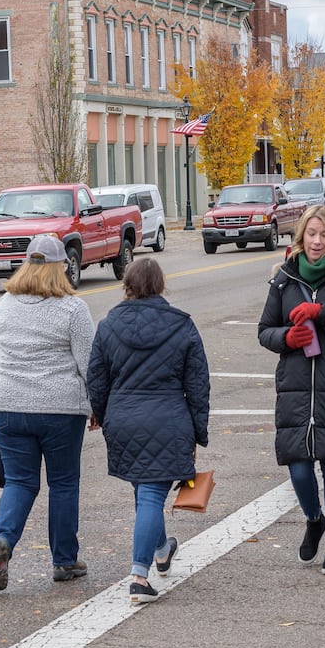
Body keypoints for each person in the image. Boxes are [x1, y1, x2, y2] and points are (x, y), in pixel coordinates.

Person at [87, 257, 211, 604]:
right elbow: (198, 385)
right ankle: (140, 577)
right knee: (153, 495)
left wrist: (101, 413)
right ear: (160, 285)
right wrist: (198, 432)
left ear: (127, 284)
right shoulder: (182, 325)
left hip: (123, 419)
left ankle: (161, 549)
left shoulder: (109, 324)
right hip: (168, 417)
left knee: (145, 492)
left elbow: (97, 379)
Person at [256, 205, 325, 574]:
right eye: (311, 234)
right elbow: (264, 330)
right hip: (295, 386)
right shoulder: (284, 278)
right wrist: (287, 337)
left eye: (324, 235)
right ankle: (314, 518)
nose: (317, 241)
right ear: (300, 236)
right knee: (299, 467)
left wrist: (322, 313)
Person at [0, 233, 95, 590]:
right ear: (60, 267)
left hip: (7, 404)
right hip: (60, 409)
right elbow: (89, 365)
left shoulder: (3, 305)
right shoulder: (72, 308)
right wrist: (95, 406)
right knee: (62, 483)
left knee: (19, 481)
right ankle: (64, 561)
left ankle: (2, 541)